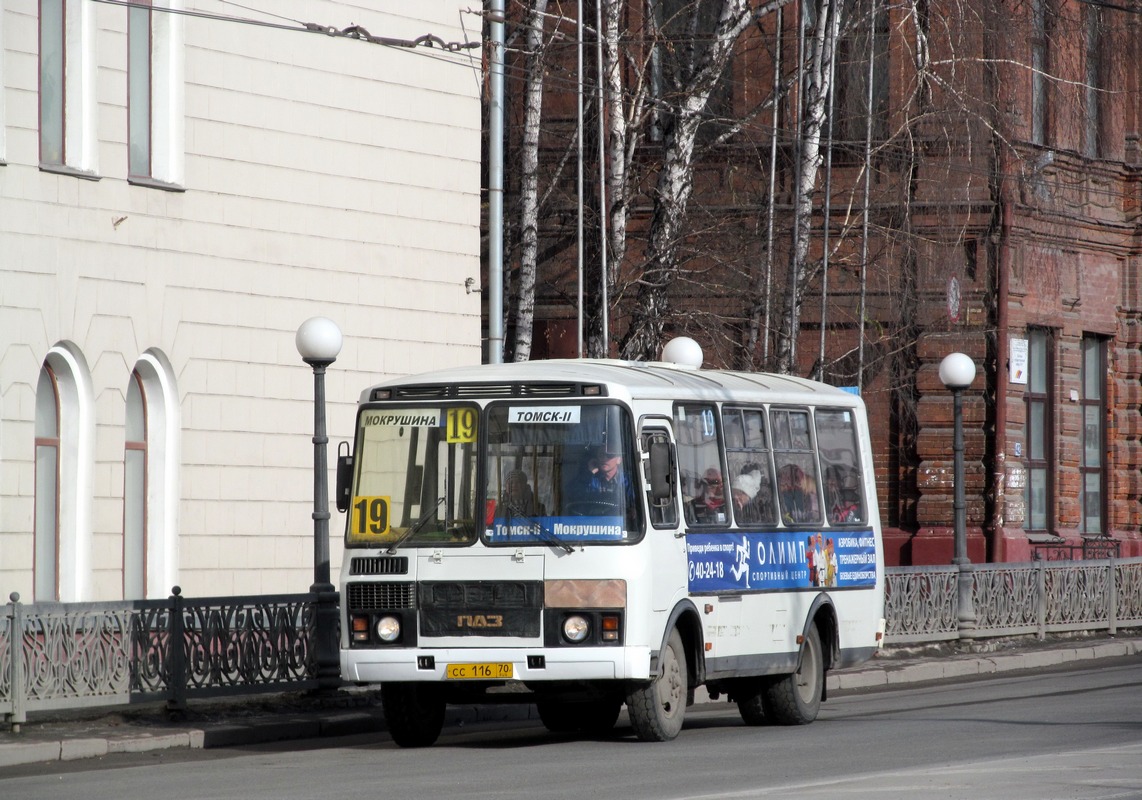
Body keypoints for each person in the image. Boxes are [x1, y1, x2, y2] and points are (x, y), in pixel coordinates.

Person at [568, 445, 636, 512]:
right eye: (601, 455)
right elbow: (572, 495)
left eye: (609, 455)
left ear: (619, 460)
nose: (604, 458)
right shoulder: (590, 479)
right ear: (596, 459)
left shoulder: (627, 481)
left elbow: (633, 504)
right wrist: (589, 473)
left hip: (618, 521)